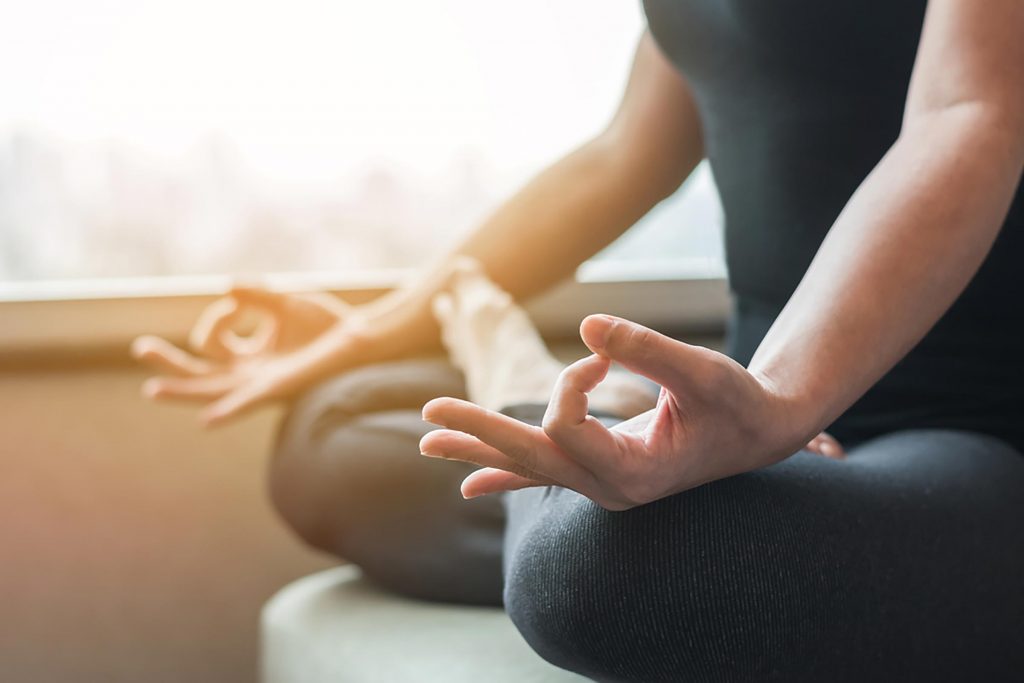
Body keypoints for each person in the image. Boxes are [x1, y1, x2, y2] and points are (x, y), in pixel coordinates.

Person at [134, 1, 1024, 680]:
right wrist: (374, 328)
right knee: (330, 436)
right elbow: (622, 155)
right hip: (760, 412)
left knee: (599, 574)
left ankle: (526, 381)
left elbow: (970, 110)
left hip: (971, 440)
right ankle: (645, 447)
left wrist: (784, 405)